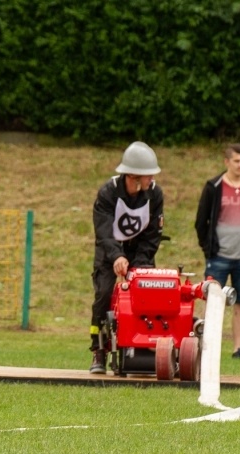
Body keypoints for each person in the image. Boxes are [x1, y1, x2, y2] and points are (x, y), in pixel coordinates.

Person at [89, 141, 164, 373]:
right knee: (103, 296)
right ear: (133, 176)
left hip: (139, 254)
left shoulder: (155, 194)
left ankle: (147, 347)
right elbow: (103, 231)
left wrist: (140, 264)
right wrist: (117, 257)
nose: (151, 179)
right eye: (147, 175)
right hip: (109, 253)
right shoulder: (107, 193)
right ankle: (98, 351)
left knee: (149, 296)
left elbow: (152, 235)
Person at [195, 143, 240, 360]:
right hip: (219, 256)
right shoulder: (214, 186)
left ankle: (237, 348)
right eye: (237, 161)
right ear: (227, 162)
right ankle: (208, 347)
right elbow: (201, 222)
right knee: (213, 301)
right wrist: (208, 249)